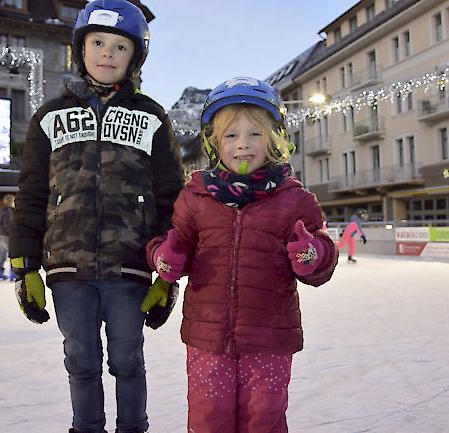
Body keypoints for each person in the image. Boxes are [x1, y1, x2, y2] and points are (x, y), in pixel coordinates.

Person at [8, 1, 183, 432]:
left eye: (119, 47)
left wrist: (167, 272)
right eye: (98, 43)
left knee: (127, 359)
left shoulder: (152, 118)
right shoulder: (50, 117)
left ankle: (132, 428)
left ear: (135, 57)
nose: (107, 53)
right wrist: (24, 265)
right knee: (80, 359)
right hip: (69, 267)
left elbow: (171, 200)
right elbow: (31, 195)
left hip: (131, 267)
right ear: (80, 49)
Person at [141, 77, 339, 433]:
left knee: (263, 419)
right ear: (216, 142)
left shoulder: (294, 199)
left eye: (255, 134)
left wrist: (313, 254)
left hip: (269, 338)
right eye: (231, 135)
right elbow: (173, 245)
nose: (243, 145)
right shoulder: (196, 196)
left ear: (273, 139)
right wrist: (164, 258)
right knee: (208, 419)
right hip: (208, 337)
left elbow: (322, 253)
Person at [0, 194, 15, 280]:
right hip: (8, 235)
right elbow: (8, 224)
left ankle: (0, 272)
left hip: (1, 234)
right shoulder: (9, 211)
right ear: (11, 201)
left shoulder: (0, 210)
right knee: (13, 253)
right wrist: (12, 233)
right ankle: (13, 273)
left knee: (3, 254)